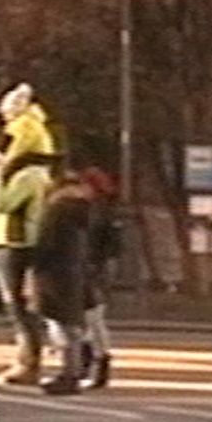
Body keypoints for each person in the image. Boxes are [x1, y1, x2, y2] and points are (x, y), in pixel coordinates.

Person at [0, 83, 61, 385]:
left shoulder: (25, 174)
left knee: (15, 303)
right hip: (25, 239)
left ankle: (28, 361)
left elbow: (3, 203)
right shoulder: (41, 171)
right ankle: (33, 356)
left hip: (14, 241)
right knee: (26, 303)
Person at [30, 169, 94, 395]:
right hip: (73, 271)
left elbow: (45, 244)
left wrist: (33, 268)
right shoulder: (83, 210)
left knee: (59, 324)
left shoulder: (57, 210)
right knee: (71, 325)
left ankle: (69, 374)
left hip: (54, 272)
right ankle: (73, 371)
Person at [77, 166, 122, 389]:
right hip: (89, 268)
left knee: (92, 319)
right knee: (87, 319)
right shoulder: (97, 209)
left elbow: (109, 246)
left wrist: (100, 268)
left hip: (94, 269)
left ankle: (97, 363)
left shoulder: (99, 211)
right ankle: (89, 363)